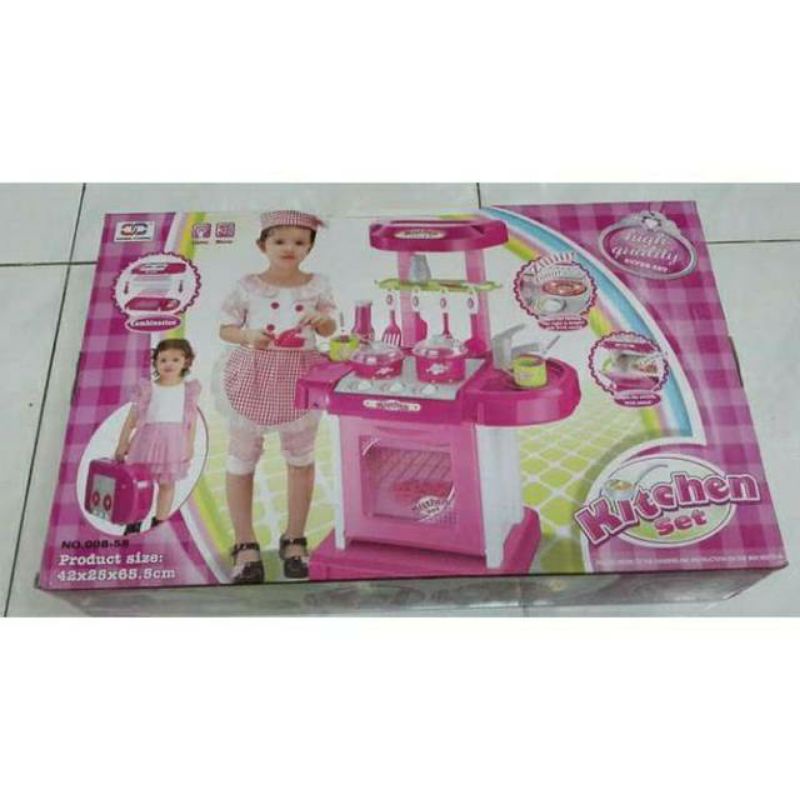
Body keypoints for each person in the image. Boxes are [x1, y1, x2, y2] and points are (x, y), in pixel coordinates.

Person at [213, 210, 336, 583]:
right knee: (241, 459)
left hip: (300, 377)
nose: (289, 248)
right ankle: (245, 542)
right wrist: (248, 336)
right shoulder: (248, 286)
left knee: (301, 458)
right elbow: (225, 329)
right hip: (254, 374)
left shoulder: (318, 285)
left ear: (310, 248)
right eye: (279, 240)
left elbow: (330, 328)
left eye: (299, 242)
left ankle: (295, 538)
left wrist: (321, 320)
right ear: (262, 245)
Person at [115, 338, 201, 534]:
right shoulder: (148, 388)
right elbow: (131, 418)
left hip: (173, 444)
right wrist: (122, 443)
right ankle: (134, 522)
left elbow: (192, 421)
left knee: (167, 484)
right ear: (155, 362)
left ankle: (160, 522)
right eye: (163, 360)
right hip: (146, 443)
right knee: (139, 485)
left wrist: (190, 445)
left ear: (186, 362)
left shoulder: (187, 391)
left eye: (175, 360)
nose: (168, 364)